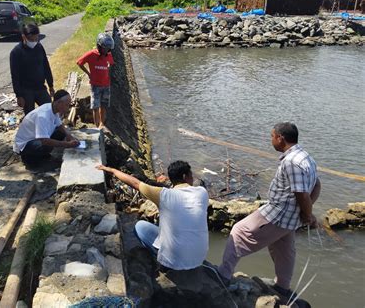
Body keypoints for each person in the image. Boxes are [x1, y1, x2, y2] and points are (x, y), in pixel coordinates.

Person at [217, 122, 321, 298]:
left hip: (279, 214)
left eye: (272, 136)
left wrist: (309, 215)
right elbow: (317, 185)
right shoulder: (305, 156)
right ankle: (282, 286)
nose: (270, 140)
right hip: (290, 217)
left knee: (239, 232)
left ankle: (223, 276)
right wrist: (304, 213)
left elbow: (302, 194)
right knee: (283, 249)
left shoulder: (291, 162)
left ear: (280, 138)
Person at [97, 160, 209, 271]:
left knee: (140, 226)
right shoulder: (202, 192)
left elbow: (135, 183)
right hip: (199, 259)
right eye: (191, 175)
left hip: (173, 261)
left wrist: (112, 170)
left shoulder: (163, 195)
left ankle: (163, 262)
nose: (193, 178)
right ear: (185, 176)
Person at [13, 89, 80, 166]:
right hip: (25, 145)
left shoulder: (53, 108)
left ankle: (43, 155)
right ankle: (31, 159)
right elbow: (45, 141)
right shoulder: (43, 116)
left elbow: (59, 125)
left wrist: (69, 135)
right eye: (66, 105)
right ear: (59, 103)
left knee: (61, 133)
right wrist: (67, 144)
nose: (68, 108)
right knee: (45, 144)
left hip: (36, 139)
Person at [10, 23, 55, 115]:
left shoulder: (39, 47)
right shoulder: (16, 52)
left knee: (49, 110)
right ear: (24, 37)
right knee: (30, 116)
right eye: (31, 39)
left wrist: (50, 85)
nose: (34, 41)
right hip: (26, 91)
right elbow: (15, 75)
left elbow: (46, 66)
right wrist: (18, 95)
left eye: (36, 38)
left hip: (40, 87)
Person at [77, 32, 115, 129]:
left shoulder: (108, 55)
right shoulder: (91, 54)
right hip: (95, 86)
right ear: (99, 46)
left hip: (106, 85)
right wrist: (89, 74)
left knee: (104, 106)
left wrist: (108, 68)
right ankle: (97, 125)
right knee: (95, 106)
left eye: (108, 49)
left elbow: (111, 64)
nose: (107, 51)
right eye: (105, 48)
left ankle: (102, 124)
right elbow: (79, 62)